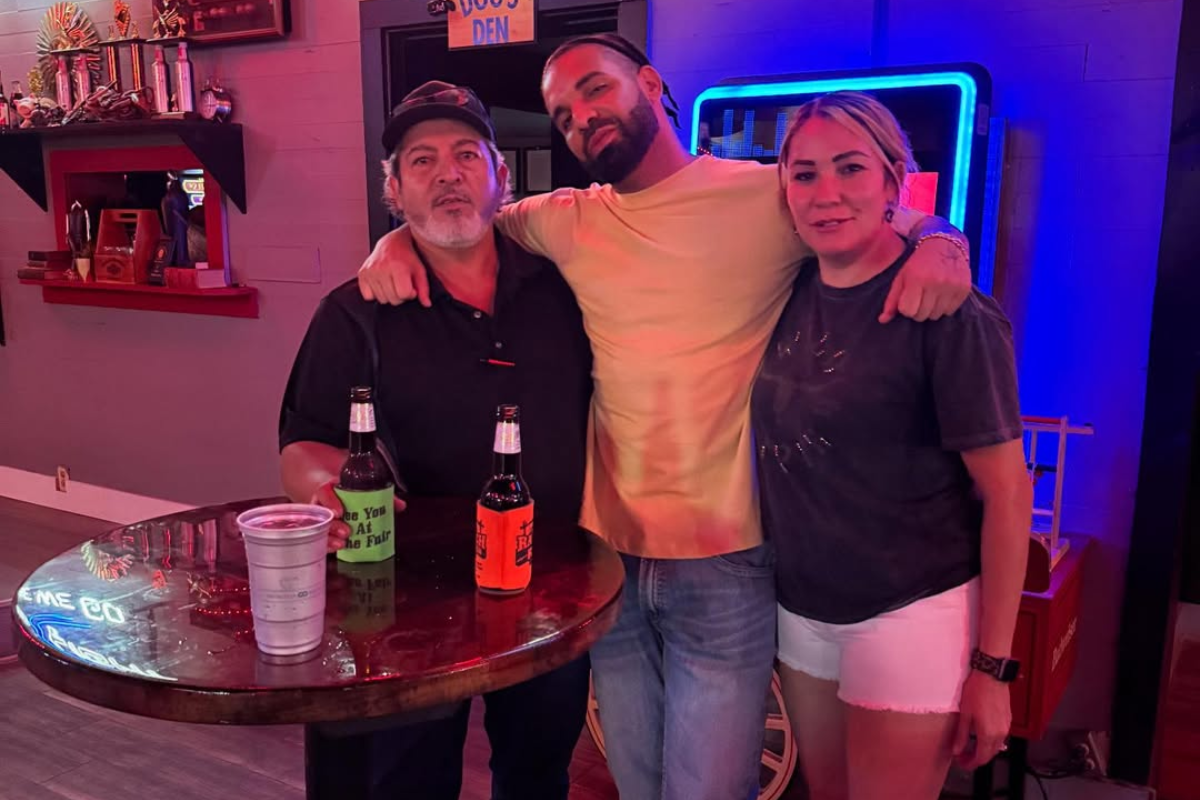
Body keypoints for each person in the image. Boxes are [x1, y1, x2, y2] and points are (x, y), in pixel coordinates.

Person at [355, 35, 975, 800]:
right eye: (563, 113)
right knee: (638, 786)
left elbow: (882, 215)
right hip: (604, 561)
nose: (581, 118)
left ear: (649, 82)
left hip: (725, 562)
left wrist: (944, 242)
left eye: (594, 91)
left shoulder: (763, 196)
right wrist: (388, 241)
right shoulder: (566, 219)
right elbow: (460, 215)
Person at [278, 81, 594, 800]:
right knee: (406, 783)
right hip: (405, 604)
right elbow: (304, 442)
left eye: (465, 155)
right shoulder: (355, 313)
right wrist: (324, 493)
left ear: (500, 177)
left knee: (538, 776)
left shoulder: (566, 286)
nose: (447, 173)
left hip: (552, 587)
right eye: (421, 161)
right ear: (394, 189)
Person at [754, 91, 1031, 800]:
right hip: (803, 609)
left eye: (851, 168)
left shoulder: (949, 312)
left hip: (910, 611)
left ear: (892, 180)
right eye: (805, 173)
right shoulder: (781, 289)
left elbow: (1006, 493)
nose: (828, 193)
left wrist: (994, 670)